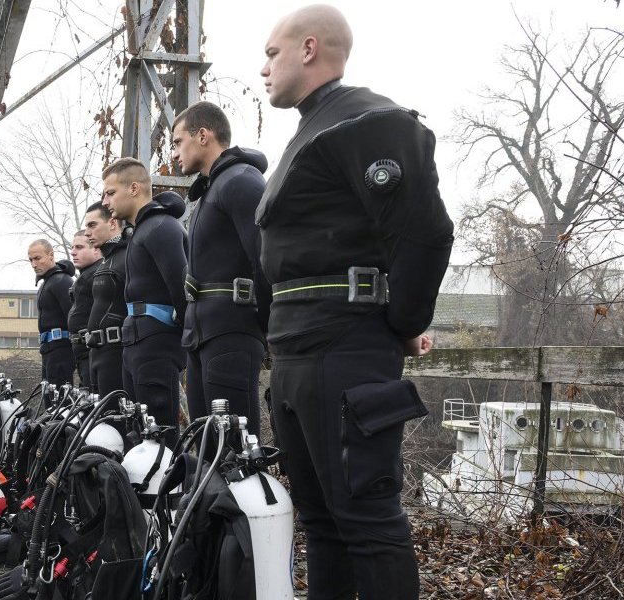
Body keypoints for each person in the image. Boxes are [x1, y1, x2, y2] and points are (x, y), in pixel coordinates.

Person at [257, 6, 454, 599]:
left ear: (310, 48)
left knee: (367, 521)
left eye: (272, 53)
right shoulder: (309, 130)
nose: (263, 67)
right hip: (294, 353)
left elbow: (424, 232)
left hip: (344, 349)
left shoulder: (367, 121)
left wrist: (401, 323)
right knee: (320, 524)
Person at [171, 101, 270, 440]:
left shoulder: (241, 181)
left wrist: (269, 328)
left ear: (203, 135)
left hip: (232, 332)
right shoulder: (211, 190)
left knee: (233, 450)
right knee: (207, 448)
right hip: (203, 335)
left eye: (177, 141)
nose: (174, 153)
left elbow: (266, 259)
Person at [101, 158, 188, 444]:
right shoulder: (140, 232)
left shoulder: (162, 228)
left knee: (160, 434)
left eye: (111, 193)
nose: (105, 202)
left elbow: (182, 291)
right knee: (140, 433)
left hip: (157, 346)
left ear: (134, 188)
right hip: (136, 344)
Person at [83, 202, 129, 397]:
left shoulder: (129, 256)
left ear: (112, 224)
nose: (86, 233)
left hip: (118, 354)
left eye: (92, 225)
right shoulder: (105, 261)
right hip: (97, 353)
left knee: (115, 420)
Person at [28, 239, 76, 387]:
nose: (34, 264)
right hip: (48, 350)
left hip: (62, 350)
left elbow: (74, 316)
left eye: (37, 258)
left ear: (51, 255)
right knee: (50, 398)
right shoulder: (47, 283)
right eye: (30, 260)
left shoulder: (62, 281)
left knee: (60, 402)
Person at [68, 231, 100, 391]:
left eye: (79, 247)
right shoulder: (84, 276)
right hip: (81, 353)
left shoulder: (98, 275)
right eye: (72, 247)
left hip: (92, 352)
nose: (73, 252)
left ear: (96, 248)